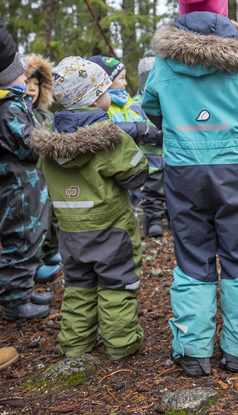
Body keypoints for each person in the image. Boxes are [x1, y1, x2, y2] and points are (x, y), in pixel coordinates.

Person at [142, 0, 238, 377]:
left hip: (184, 169)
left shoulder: (165, 62)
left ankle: (194, 347)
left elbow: (150, 107)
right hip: (234, 167)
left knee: (192, 255)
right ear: (221, 5)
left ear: (182, 7)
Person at [31, 56, 149, 361]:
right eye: (106, 88)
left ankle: (75, 344)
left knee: (78, 287)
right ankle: (122, 343)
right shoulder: (110, 139)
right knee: (117, 284)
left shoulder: (51, 143)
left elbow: (46, 174)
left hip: (70, 231)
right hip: (112, 230)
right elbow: (136, 175)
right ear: (97, 96)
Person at [0, 53, 53, 320]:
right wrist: (47, 140)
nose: (26, 81)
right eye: (22, 75)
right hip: (17, 185)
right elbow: (26, 143)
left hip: (27, 184)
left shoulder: (16, 103)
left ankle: (24, 288)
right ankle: (13, 301)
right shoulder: (8, 106)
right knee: (20, 239)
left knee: (32, 238)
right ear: (9, 78)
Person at [88, 55, 163, 236]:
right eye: (120, 78)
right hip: (112, 167)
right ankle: (118, 238)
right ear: (104, 82)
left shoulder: (129, 103)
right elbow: (105, 129)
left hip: (132, 164)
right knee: (116, 203)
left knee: (133, 201)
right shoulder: (103, 105)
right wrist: (138, 129)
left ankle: (131, 238)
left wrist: (151, 131)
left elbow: (145, 123)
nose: (124, 83)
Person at [25, 54, 63, 283]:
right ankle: (36, 263)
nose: (31, 88)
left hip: (48, 173)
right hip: (28, 176)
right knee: (33, 220)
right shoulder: (17, 112)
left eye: (36, 84)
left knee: (52, 215)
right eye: (27, 82)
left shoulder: (46, 114)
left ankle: (51, 251)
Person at [131, 50, 167, 238]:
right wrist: (156, 134)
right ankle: (153, 219)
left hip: (170, 157)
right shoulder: (135, 104)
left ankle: (172, 216)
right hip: (150, 159)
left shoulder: (169, 100)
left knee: (173, 188)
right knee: (152, 191)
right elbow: (139, 129)